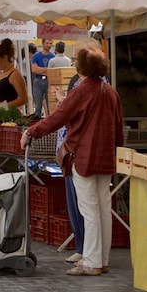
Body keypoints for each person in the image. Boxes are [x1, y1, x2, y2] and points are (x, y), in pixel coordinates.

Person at [22, 48, 123, 277]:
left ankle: (91, 262)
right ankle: (101, 259)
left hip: (84, 156)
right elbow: (118, 127)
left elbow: (58, 118)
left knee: (89, 209)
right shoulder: (110, 91)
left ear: (82, 67)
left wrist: (31, 131)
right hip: (105, 156)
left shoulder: (81, 91)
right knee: (103, 208)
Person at [49, 37, 103, 264]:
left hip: (82, 151)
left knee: (87, 207)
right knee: (76, 202)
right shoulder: (76, 81)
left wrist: (34, 131)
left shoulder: (97, 85)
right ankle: (82, 248)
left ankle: (91, 255)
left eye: (78, 57)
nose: (74, 62)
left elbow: (72, 114)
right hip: (69, 149)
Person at [0, 39, 28, 110]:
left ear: (5, 57)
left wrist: (4, 105)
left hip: (8, 114)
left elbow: (24, 99)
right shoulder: (1, 74)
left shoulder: (15, 74)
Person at [30, 38, 54, 116]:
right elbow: (34, 70)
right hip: (38, 81)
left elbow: (52, 71)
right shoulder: (36, 56)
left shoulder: (53, 56)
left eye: (50, 43)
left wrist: (40, 69)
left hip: (49, 81)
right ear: (43, 44)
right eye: (47, 43)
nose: (49, 45)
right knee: (38, 106)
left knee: (49, 104)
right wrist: (46, 70)